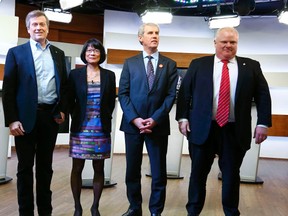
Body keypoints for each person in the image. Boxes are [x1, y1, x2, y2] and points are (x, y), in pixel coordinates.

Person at [176, 27, 272, 216]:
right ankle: (193, 212)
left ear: (237, 44)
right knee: (197, 175)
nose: (228, 45)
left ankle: (231, 212)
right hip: (203, 129)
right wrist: (183, 117)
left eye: (233, 42)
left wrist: (263, 123)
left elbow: (263, 96)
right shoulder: (198, 64)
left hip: (234, 130)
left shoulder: (251, 66)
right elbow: (184, 94)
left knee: (231, 176)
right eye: (224, 42)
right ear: (215, 43)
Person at [2, 10, 68, 216]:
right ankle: (26, 212)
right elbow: (9, 89)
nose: (38, 28)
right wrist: (12, 120)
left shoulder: (58, 53)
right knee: (24, 169)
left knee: (45, 168)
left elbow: (63, 85)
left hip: (50, 117)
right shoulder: (16, 53)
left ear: (47, 27)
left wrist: (63, 110)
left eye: (42, 24)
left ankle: (45, 212)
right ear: (28, 28)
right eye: (34, 25)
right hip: (24, 120)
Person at [118, 23, 178, 216]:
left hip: (157, 126)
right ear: (140, 38)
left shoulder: (169, 64)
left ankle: (156, 211)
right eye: (150, 33)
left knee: (159, 172)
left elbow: (170, 96)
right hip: (132, 126)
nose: (154, 36)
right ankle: (135, 208)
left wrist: (155, 119)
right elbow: (124, 94)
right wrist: (135, 119)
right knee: (132, 171)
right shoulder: (130, 63)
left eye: (157, 33)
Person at [68, 38, 116, 216]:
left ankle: (95, 206)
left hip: (100, 129)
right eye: (89, 51)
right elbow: (69, 98)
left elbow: (110, 102)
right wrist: (73, 115)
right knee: (77, 168)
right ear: (84, 54)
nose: (92, 53)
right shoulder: (75, 75)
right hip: (81, 128)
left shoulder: (109, 75)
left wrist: (102, 117)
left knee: (99, 168)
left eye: (95, 50)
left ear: (101, 54)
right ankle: (77, 207)